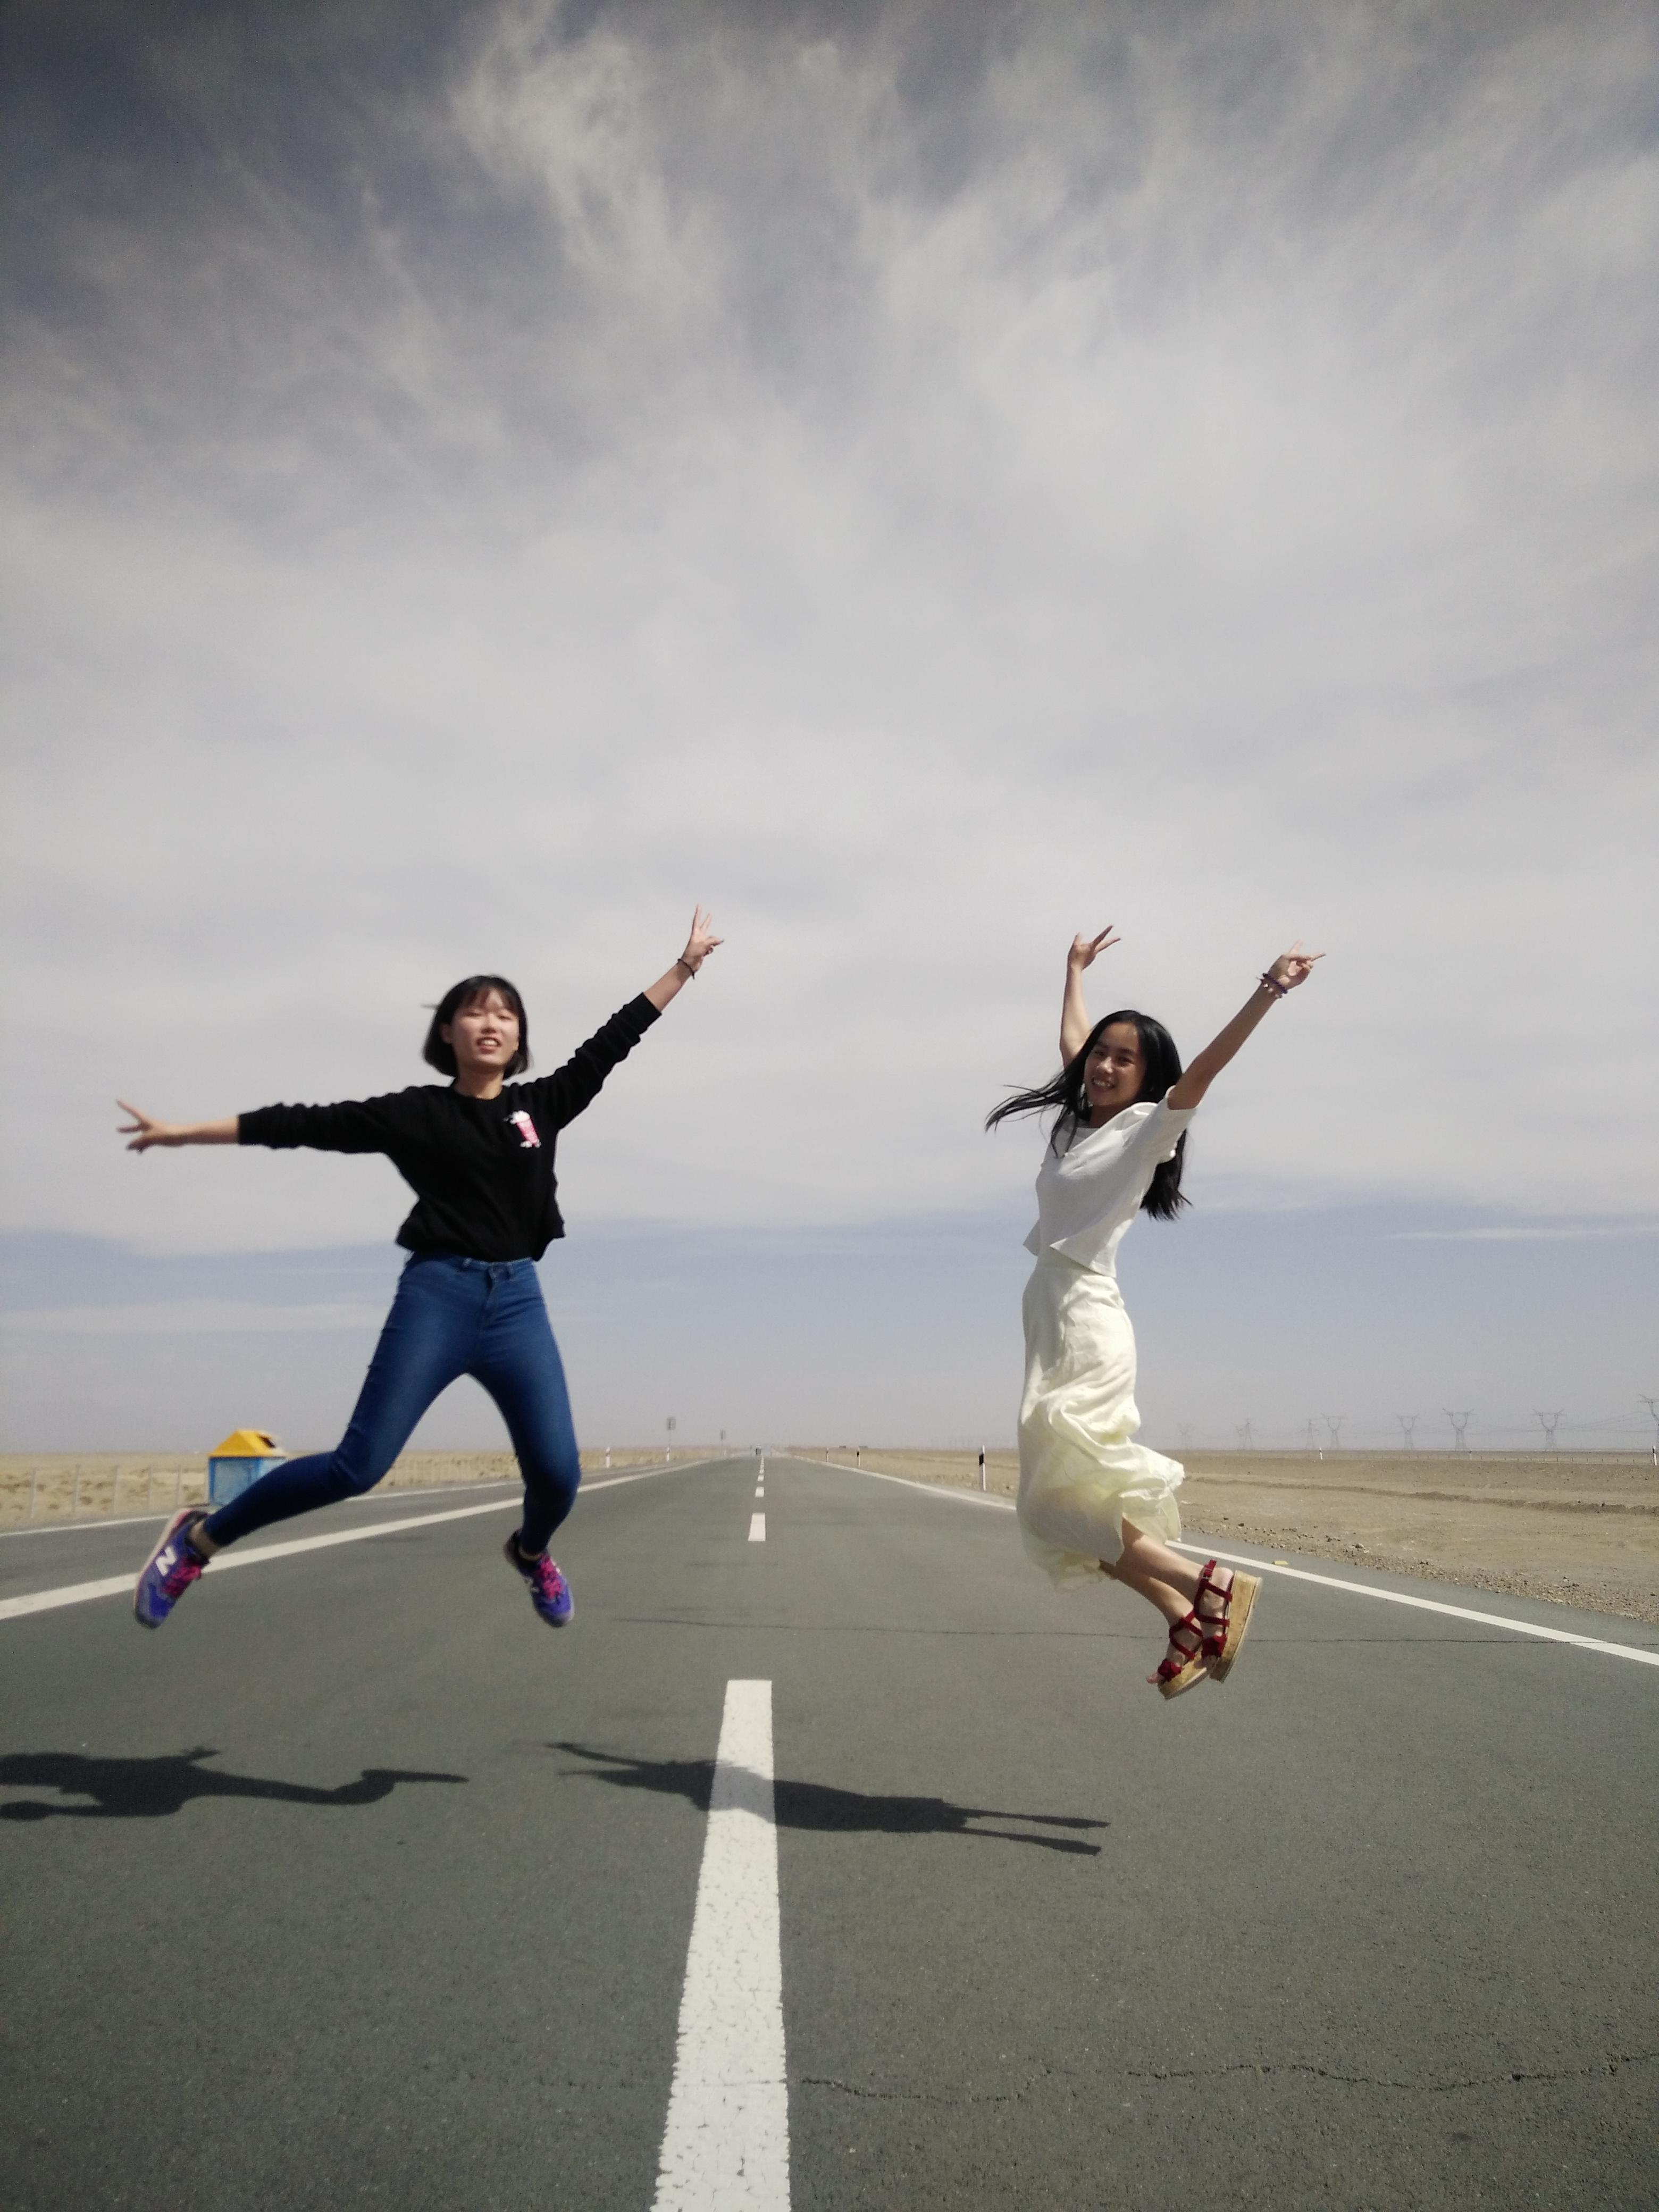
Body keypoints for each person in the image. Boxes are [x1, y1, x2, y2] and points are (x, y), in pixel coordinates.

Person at [123, 909, 722, 1632]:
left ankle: (531, 1553)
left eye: (506, 1014)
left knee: (560, 1476)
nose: (491, 1023)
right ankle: (198, 1541)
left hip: (516, 1304)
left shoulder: (542, 1106)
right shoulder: (415, 1115)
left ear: (520, 1037)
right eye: (475, 1012)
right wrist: (183, 1134)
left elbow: (618, 1036)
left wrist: (685, 966)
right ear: (447, 1032)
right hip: (439, 1294)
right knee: (357, 1467)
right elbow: (302, 1123)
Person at [987, 926, 1321, 1697]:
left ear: (1147, 1077)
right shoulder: (1074, 1124)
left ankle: (1209, 1583)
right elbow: (1074, 1041)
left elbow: (1205, 1069)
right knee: (1067, 1506)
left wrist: (1269, 989)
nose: (1104, 1066)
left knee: (1054, 1504)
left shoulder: (1149, 1130)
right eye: (1101, 1055)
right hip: (1049, 1313)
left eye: (1124, 1059)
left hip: (1086, 1318)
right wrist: (1074, 971)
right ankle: (1182, 1615)